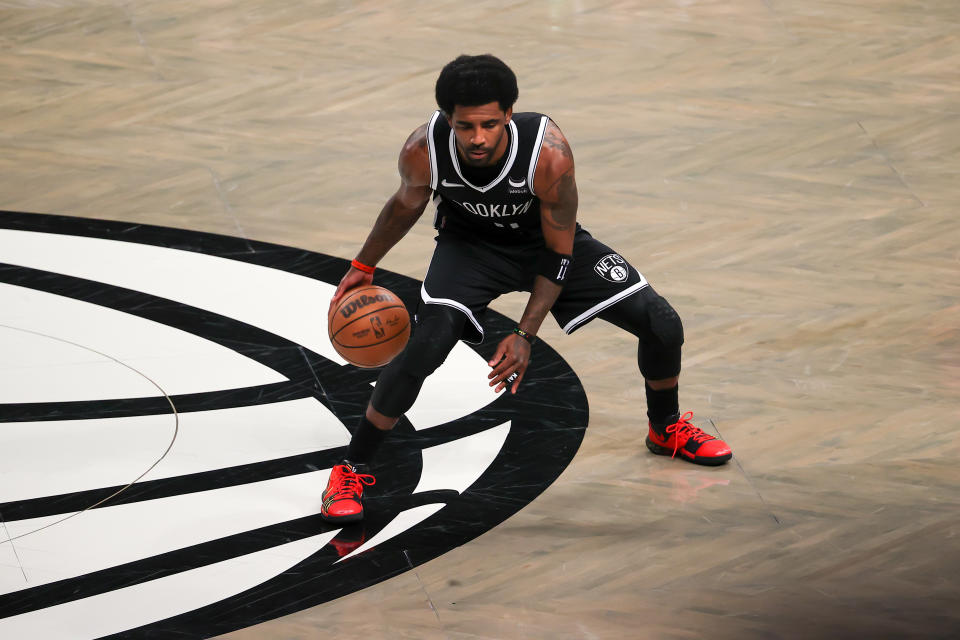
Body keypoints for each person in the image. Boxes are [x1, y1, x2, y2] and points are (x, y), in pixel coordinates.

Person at [320, 54, 732, 524]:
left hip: (544, 247)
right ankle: (350, 469)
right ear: (447, 119)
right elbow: (405, 204)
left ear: (509, 115)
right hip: (470, 249)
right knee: (424, 349)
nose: (477, 138)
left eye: (490, 124)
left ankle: (666, 428)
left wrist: (525, 334)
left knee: (661, 323)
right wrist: (363, 263)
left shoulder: (548, 154)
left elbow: (559, 253)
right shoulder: (424, 147)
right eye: (465, 126)